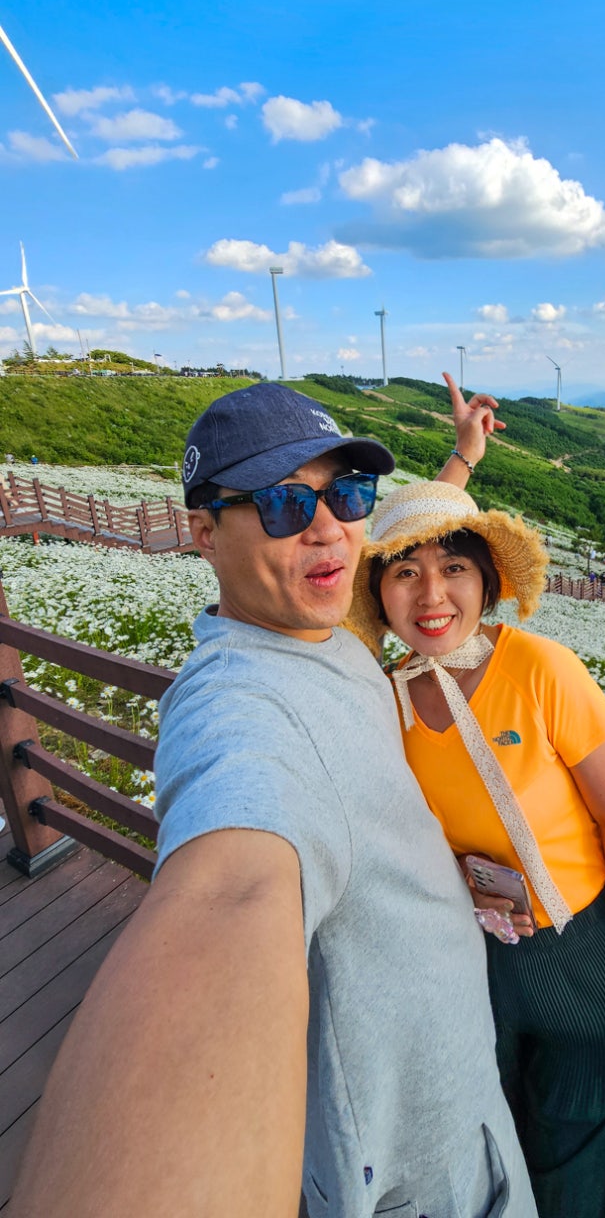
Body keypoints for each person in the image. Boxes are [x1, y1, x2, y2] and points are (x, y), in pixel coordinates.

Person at [12, 380, 536, 1218]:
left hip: (456, 1102)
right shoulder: (239, 704)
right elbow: (227, 890)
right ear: (204, 531)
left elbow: (389, 534)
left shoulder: (327, 625)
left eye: (349, 493)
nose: (329, 526)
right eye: (285, 503)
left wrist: (465, 455)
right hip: (413, 1171)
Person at [347, 482, 605, 1218]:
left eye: (453, 569)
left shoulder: (542, 669)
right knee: (506, 1151)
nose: (431, 593)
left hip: (587, 952)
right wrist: (464, 885)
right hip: (480, 965)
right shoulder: (389, 699)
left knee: (586, 1165)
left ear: (486, 580)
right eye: (405, 572)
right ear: (380, 591)